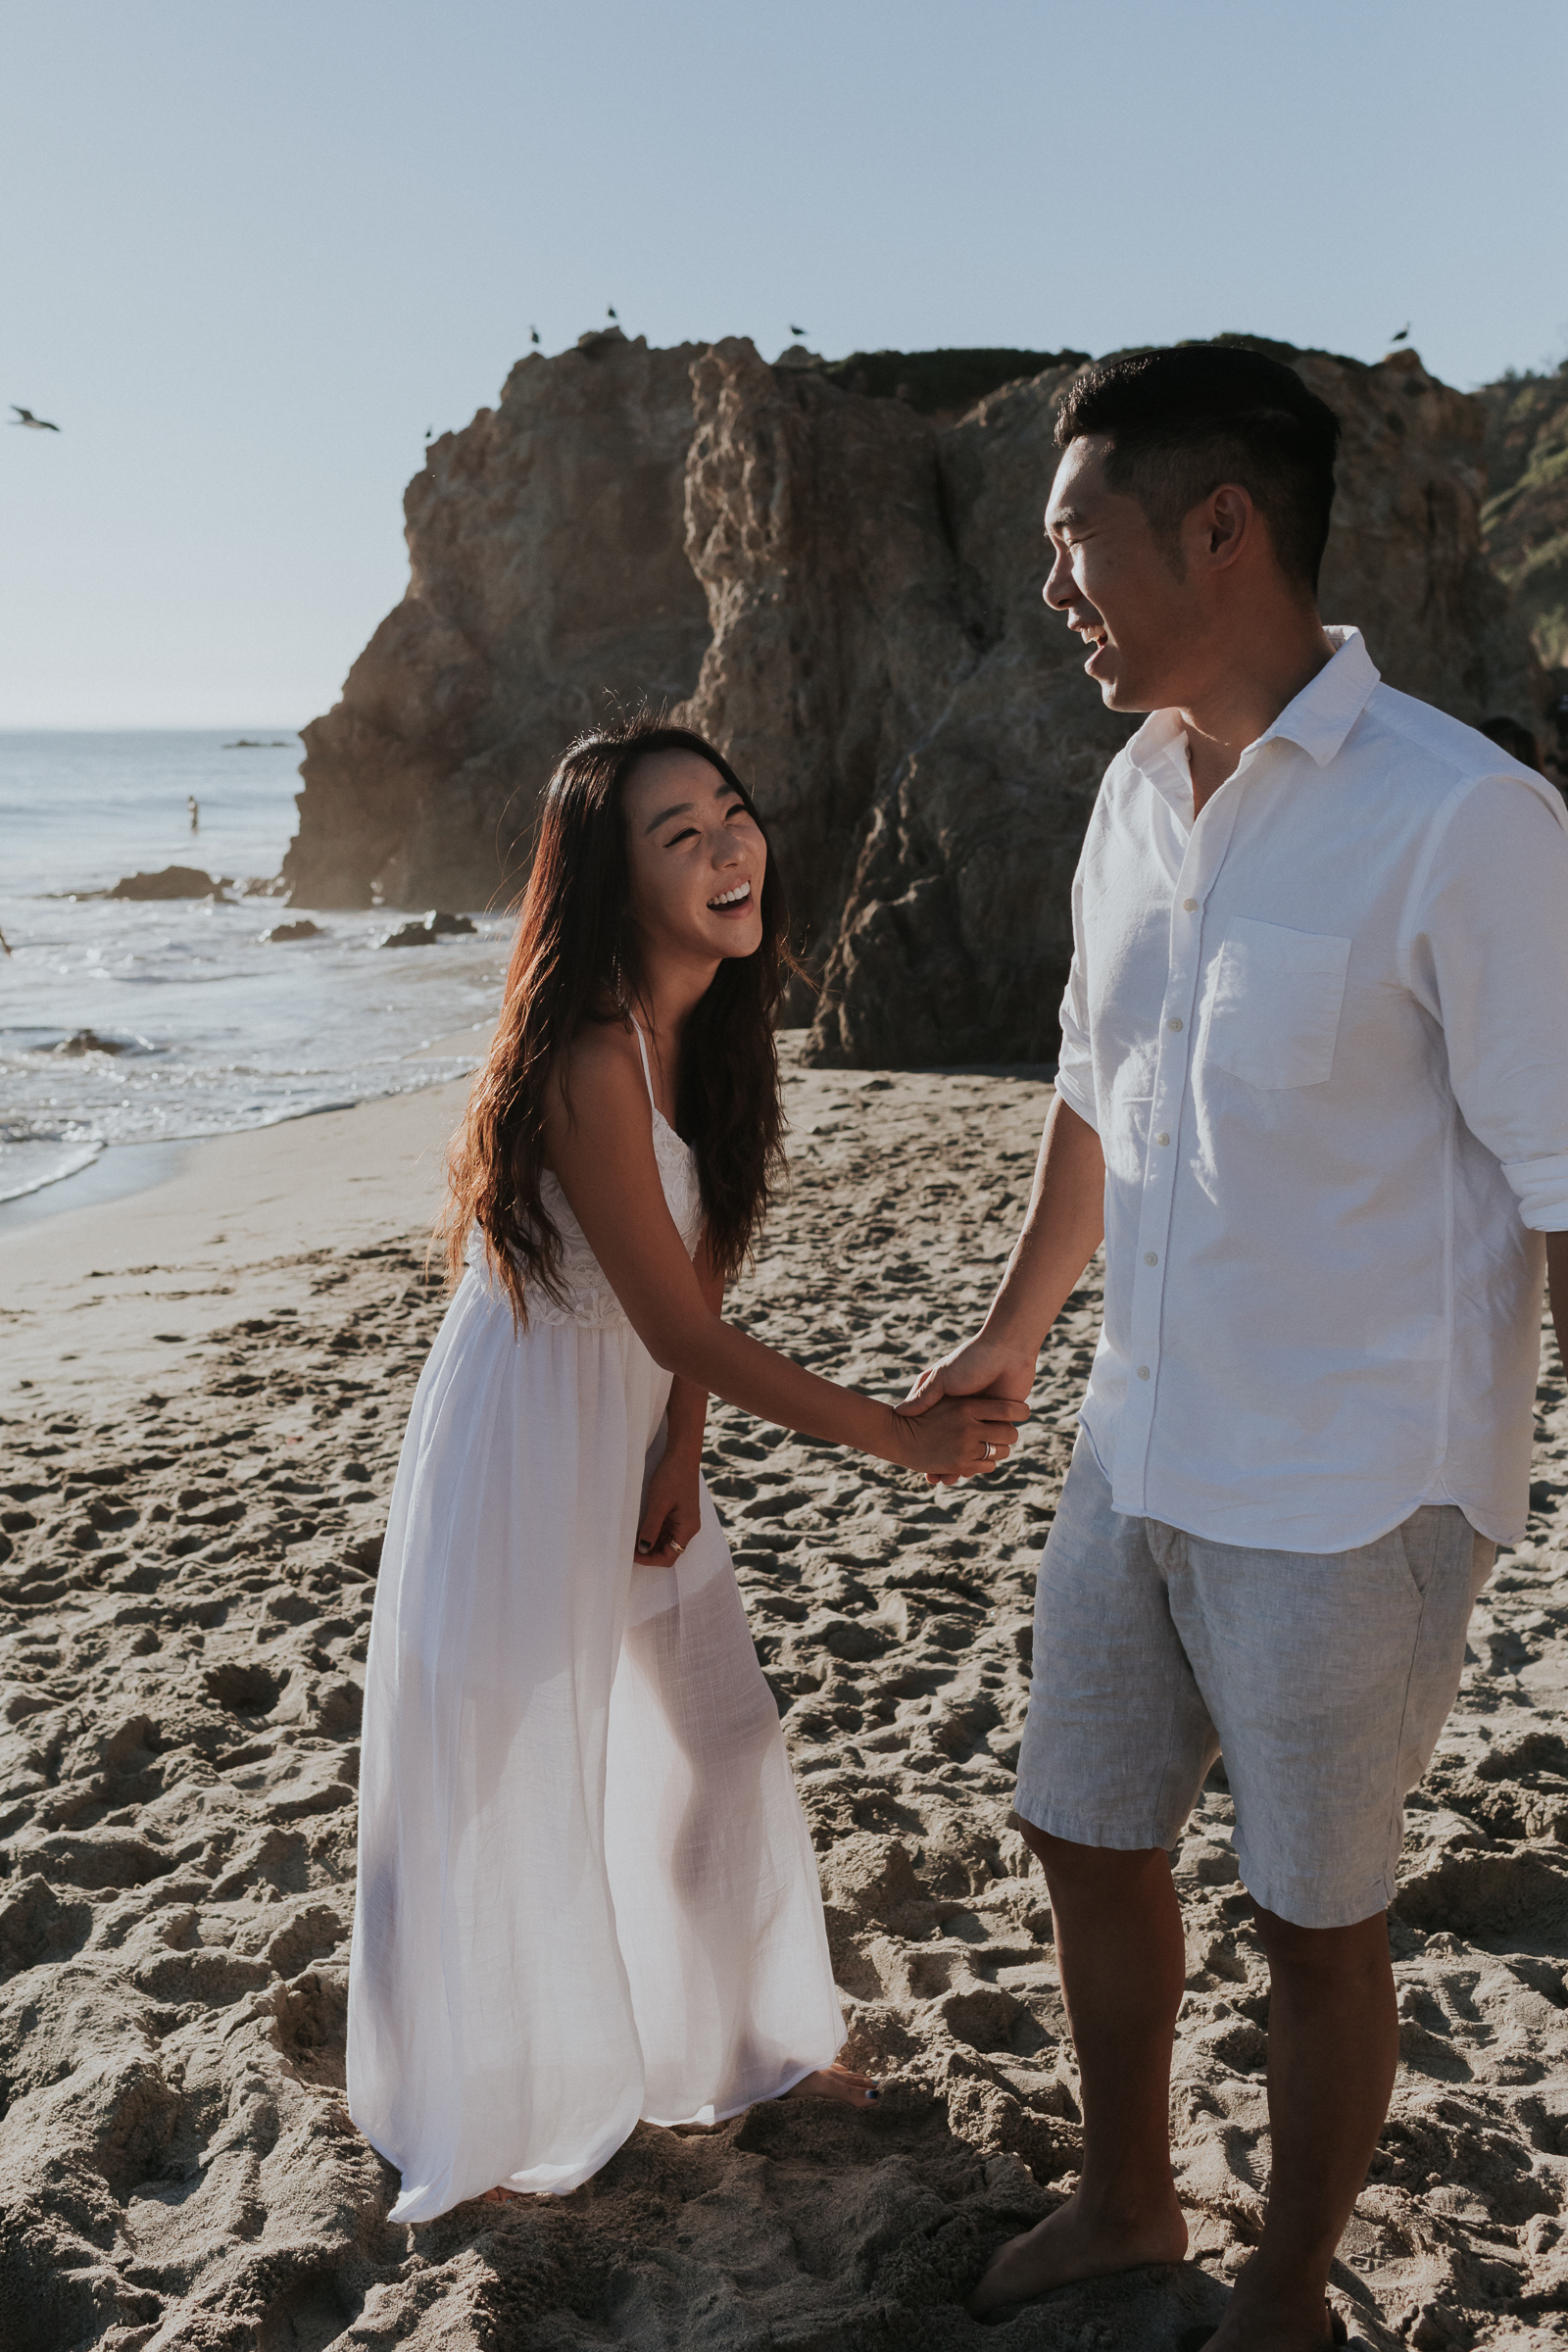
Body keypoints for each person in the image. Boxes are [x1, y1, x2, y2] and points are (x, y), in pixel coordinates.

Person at [902, 345, 1568, 2350]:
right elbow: (1096, 1094)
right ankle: (1127, 2206)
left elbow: (1557, 1179)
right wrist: (1016, 1336)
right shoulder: (1126, 791)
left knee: (1314, 1917)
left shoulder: (1463, 821)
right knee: (1076, 1829)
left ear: (1218, 526)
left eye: (1073, 541)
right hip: (1135, 1434)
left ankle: (1282, 2287)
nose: (1052, 590)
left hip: (1354, 1477)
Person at [346, 719, 1027, 2222]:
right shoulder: (590, 1054)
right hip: (524, 1438)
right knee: (483, 1762)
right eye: (679, 835)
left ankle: (755, 2046)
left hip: (636, 1425)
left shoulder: (709, 1026)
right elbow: (667, 1317)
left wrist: (683, 1448)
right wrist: (894, 1432)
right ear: (611, 879)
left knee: (715, 1741)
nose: (730, 849)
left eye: (733, 815)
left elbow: (691, 1290)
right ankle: (438, 2077)